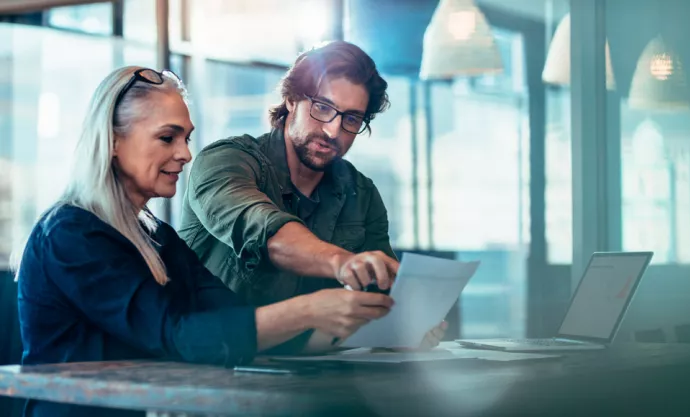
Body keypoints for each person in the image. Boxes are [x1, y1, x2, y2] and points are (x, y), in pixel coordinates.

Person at [15, 66, 394, 417]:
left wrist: (355, 318)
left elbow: (228, 316)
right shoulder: (71, 234)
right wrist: (310, 310)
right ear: (113, 141)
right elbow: (178, 335)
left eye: (186, 138)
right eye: (167, 138)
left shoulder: (156, 237)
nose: (185, 154)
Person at [178, 41, 447, 351]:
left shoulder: (361, 193)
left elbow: (379, 294)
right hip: (212, 367)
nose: (334, 131)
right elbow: (265, 231)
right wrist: (341, 262)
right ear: (292, 99)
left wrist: (404, 327)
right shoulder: (226, 161)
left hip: (312, 369)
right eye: (322, 108)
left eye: (351, 119)